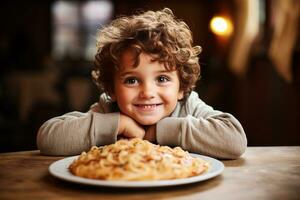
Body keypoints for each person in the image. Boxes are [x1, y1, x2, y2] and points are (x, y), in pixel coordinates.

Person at [37, 8, 247, 159]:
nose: (147, 92)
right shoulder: (108, 108)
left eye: (162, 79)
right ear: (112, 89)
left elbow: (235, 141)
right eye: (132, 80)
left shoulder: (188, 106)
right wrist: (119, 124)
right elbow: (48, 138)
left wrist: (159, 131)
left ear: (182, 88)